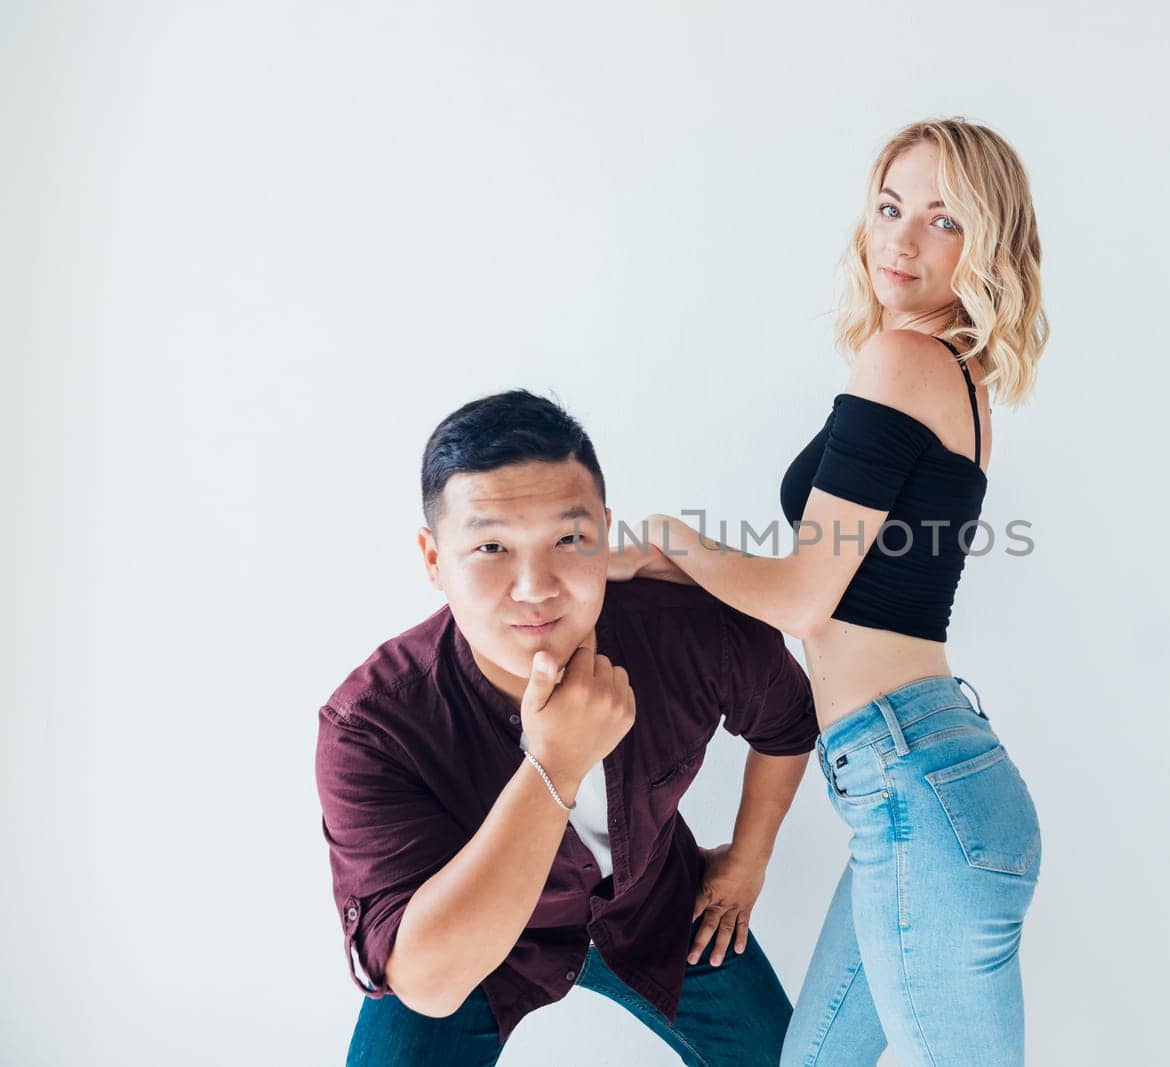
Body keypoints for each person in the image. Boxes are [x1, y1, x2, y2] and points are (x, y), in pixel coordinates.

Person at [610, 117, 1048, 1064]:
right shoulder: (953, 375)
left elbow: (808, 596)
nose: (900, 237)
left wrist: (676, 542)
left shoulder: (904, 362)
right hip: (926, 779)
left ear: (987, 245)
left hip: (912, 785)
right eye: (890, 207)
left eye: (941, 219)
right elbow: (840, 585)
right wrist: (662, 564)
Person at [314, 389, 818, 1066]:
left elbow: (789, 719)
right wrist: (553, 766)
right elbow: (426, 981)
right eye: (491, 545)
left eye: (568, 538)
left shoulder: (686, 629)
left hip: (652, 911)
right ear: (434, 560)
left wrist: (748, 862)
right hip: (473, 945)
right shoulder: (373, 723)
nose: (536, 585)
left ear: (604, 533)